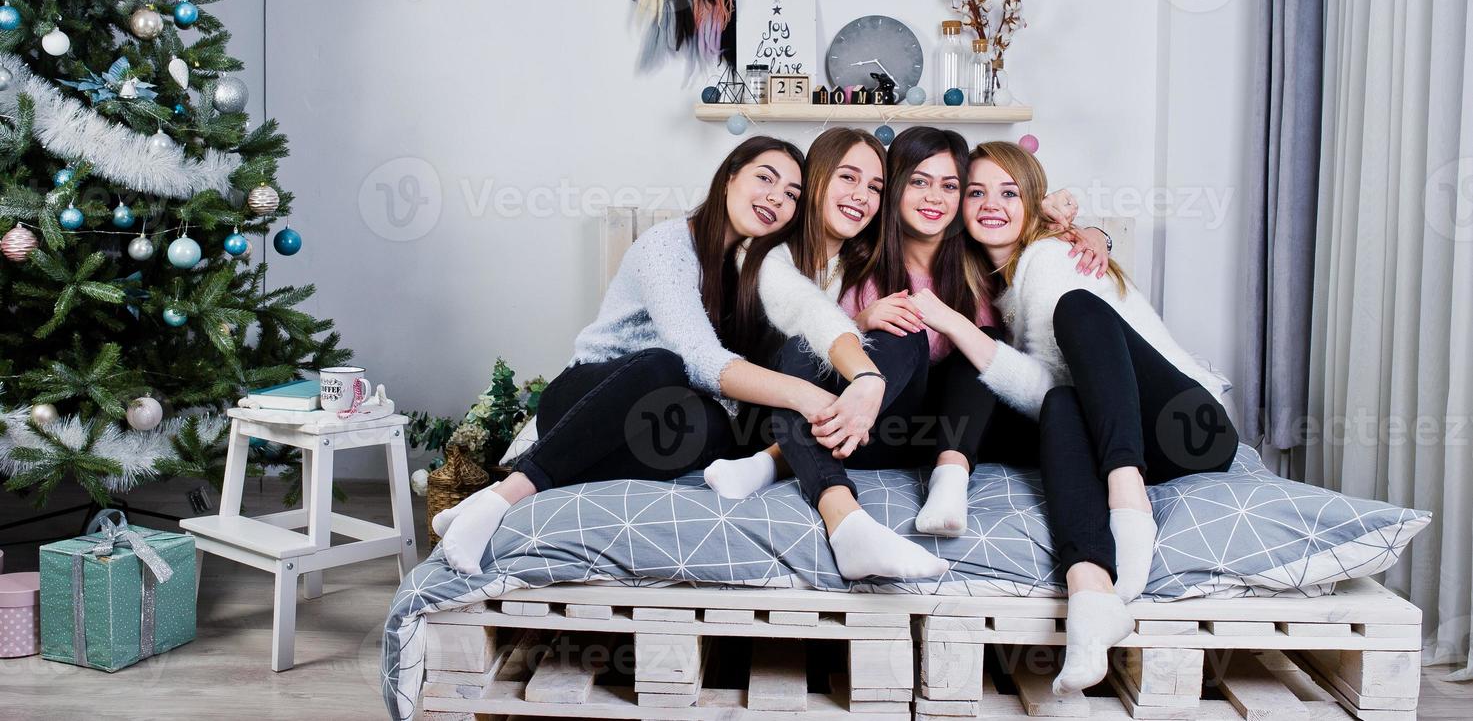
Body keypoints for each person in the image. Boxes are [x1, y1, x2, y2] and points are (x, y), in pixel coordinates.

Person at [907, 140, 1238, 693]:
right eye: (976, 192)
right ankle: (1090, 597)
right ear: (961, 208)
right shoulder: (1001, 284)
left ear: (1033, 204)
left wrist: (954, 326)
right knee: (1062, 403)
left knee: (1078, 310)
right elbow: (1055, 397)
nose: (992, 204)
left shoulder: (1051, 258)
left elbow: (1052, 383)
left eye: (1009, 192)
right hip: (1149, 438)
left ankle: (1129, 502)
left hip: (1191, 424)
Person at [434, 136, 846, 575]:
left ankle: (549, 478)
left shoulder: (751, 272)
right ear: (728, 178)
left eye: (790, 195)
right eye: (765, 178)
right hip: (587, 397)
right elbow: (697, 358)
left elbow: (791, 337)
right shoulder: (666, 246)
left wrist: (861, 318)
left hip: (650, 421)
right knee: (664, 364)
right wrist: (802, 394)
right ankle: (500, 497)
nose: (775, 197)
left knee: (716, 429)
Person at [705, 127, 949, 580]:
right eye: (848, 177)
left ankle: (772, 462)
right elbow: (807, 313)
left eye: (875, 187)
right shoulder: (763, 255)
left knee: (904, 330)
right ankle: (846, 519)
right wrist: (866, 375)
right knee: (803, 348)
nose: (862, 195)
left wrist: (1085, 230)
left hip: (869, 428)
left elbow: (962, 219)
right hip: (777, 416)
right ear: (816, 179)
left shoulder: (870, 258)